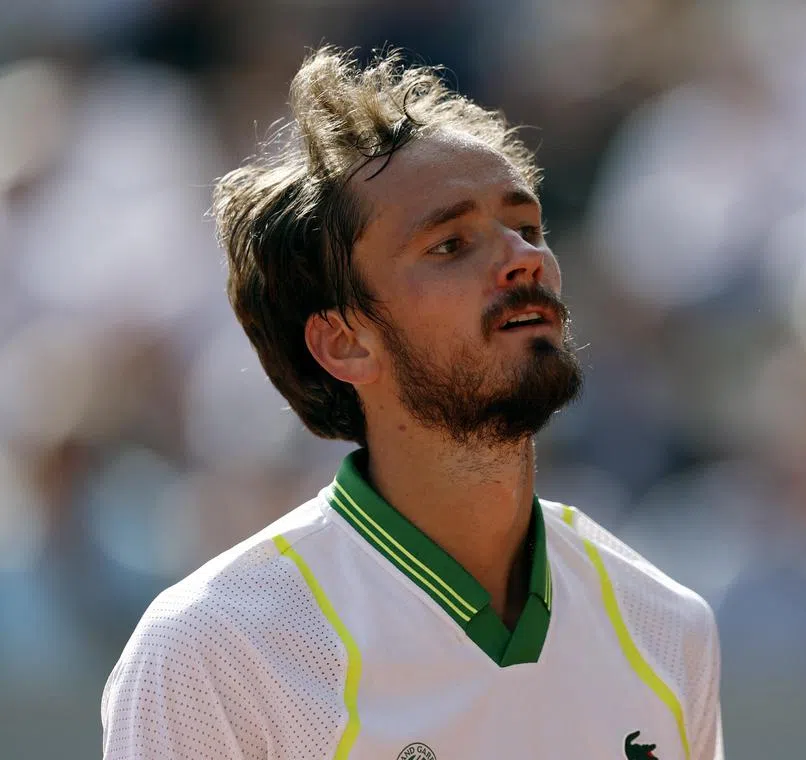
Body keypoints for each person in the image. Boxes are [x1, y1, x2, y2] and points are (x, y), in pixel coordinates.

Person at [100, 46, 724, 760]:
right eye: (450, 244)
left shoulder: (668, 625)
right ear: (345, 343)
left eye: (527, 228)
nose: (525, 258)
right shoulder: (213, 651)